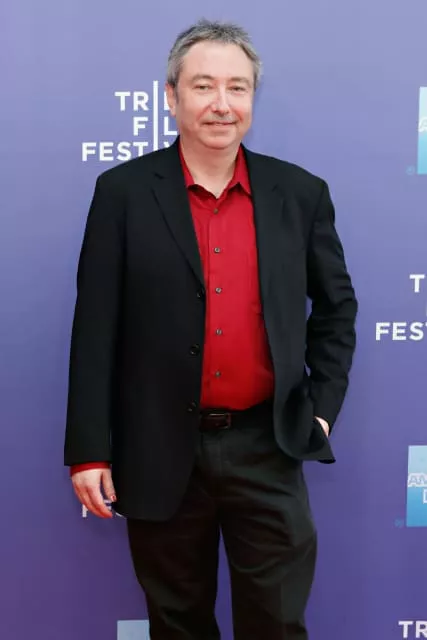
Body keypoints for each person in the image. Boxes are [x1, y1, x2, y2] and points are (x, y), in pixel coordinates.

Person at [64, 18, 357, 640]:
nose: (222, 104)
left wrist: (321, 410)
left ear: (252, 97)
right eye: (203, 86)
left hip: (268, 444)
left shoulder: (300, 193)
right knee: (177, 624)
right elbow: (95, 327)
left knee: (276, 623)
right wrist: (89, 449)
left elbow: (337, 309)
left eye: (237, 87)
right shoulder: (122, 193)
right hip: (159, 447)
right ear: (172, 97)